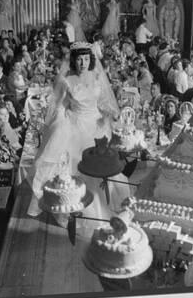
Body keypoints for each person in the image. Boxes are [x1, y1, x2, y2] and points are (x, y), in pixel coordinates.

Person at [28, 42, 130, 226]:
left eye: (85, 59)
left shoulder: (98, 77)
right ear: (73, 60)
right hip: (74, 125)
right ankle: (75, 208)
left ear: (90, 59)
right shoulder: (65, 80)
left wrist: (109, 114)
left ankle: (105, 202)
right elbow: (59, 106)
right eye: (78, 59)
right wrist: (60, 125)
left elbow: (103, 102)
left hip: (97, 125)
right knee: (74, 166)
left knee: (101, 165)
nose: (82, 63)